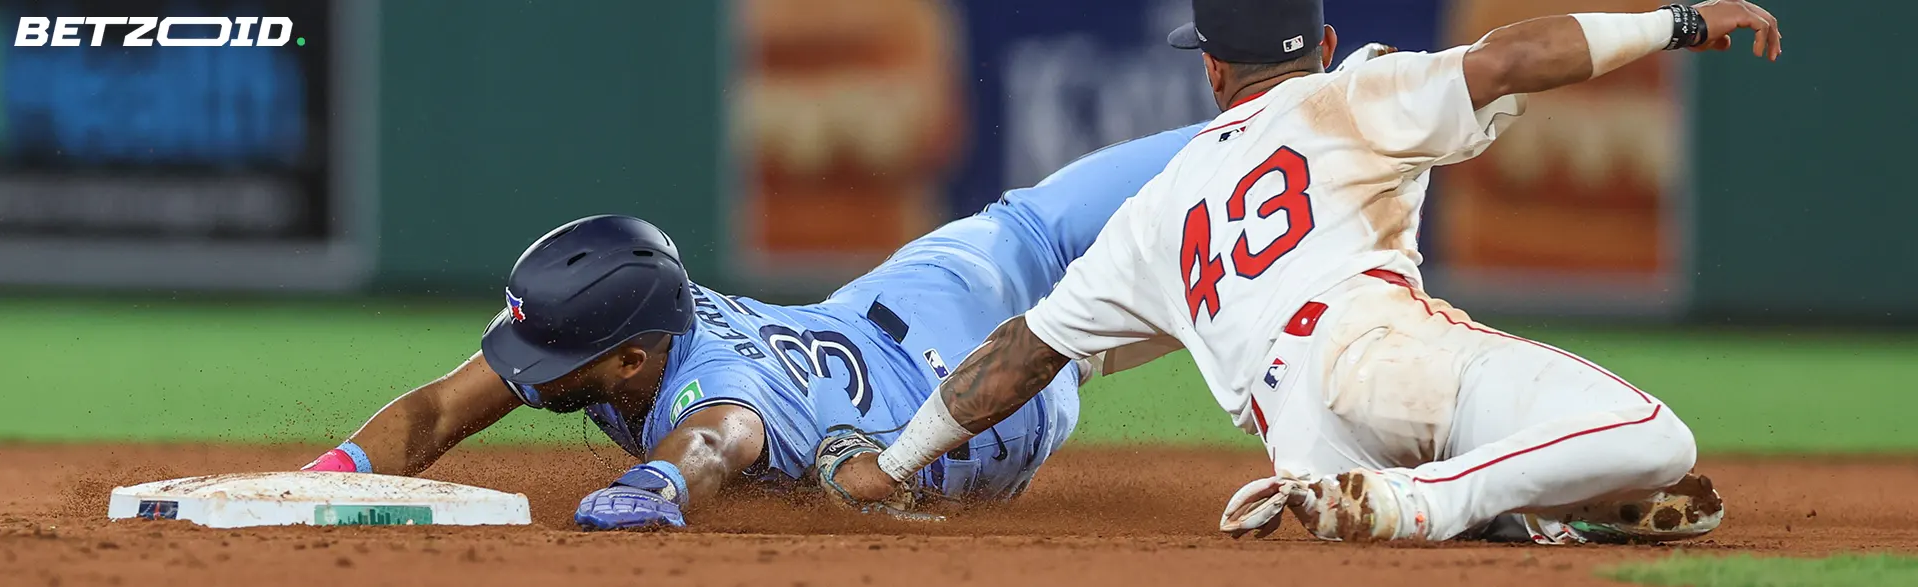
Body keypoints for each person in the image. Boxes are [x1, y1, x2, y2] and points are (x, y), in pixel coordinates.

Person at [816, 0, 1778, 544]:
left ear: (1211, 73)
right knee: (1655, 437)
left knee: (1526, 465)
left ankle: (1516, 513)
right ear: (1317, 47)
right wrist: (1681, 22)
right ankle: (1430, 503)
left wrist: (893, 463)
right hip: (1381, 349)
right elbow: (1520, 55)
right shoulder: (1350, 89)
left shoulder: (1157, 207)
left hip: (1303, 441)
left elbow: (1019, 355)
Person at [297, 120, 1207, 529]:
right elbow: (441, 409)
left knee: (1071, 225)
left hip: (968, 388)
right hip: (934, 349)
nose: (527, 370)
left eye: (551, 353)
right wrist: (333, 471)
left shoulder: (716, 389)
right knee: (1128, 273)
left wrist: (655, 487)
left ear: (628, 360)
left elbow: (715, 440)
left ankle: (1281, 113)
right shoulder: (619, 317)